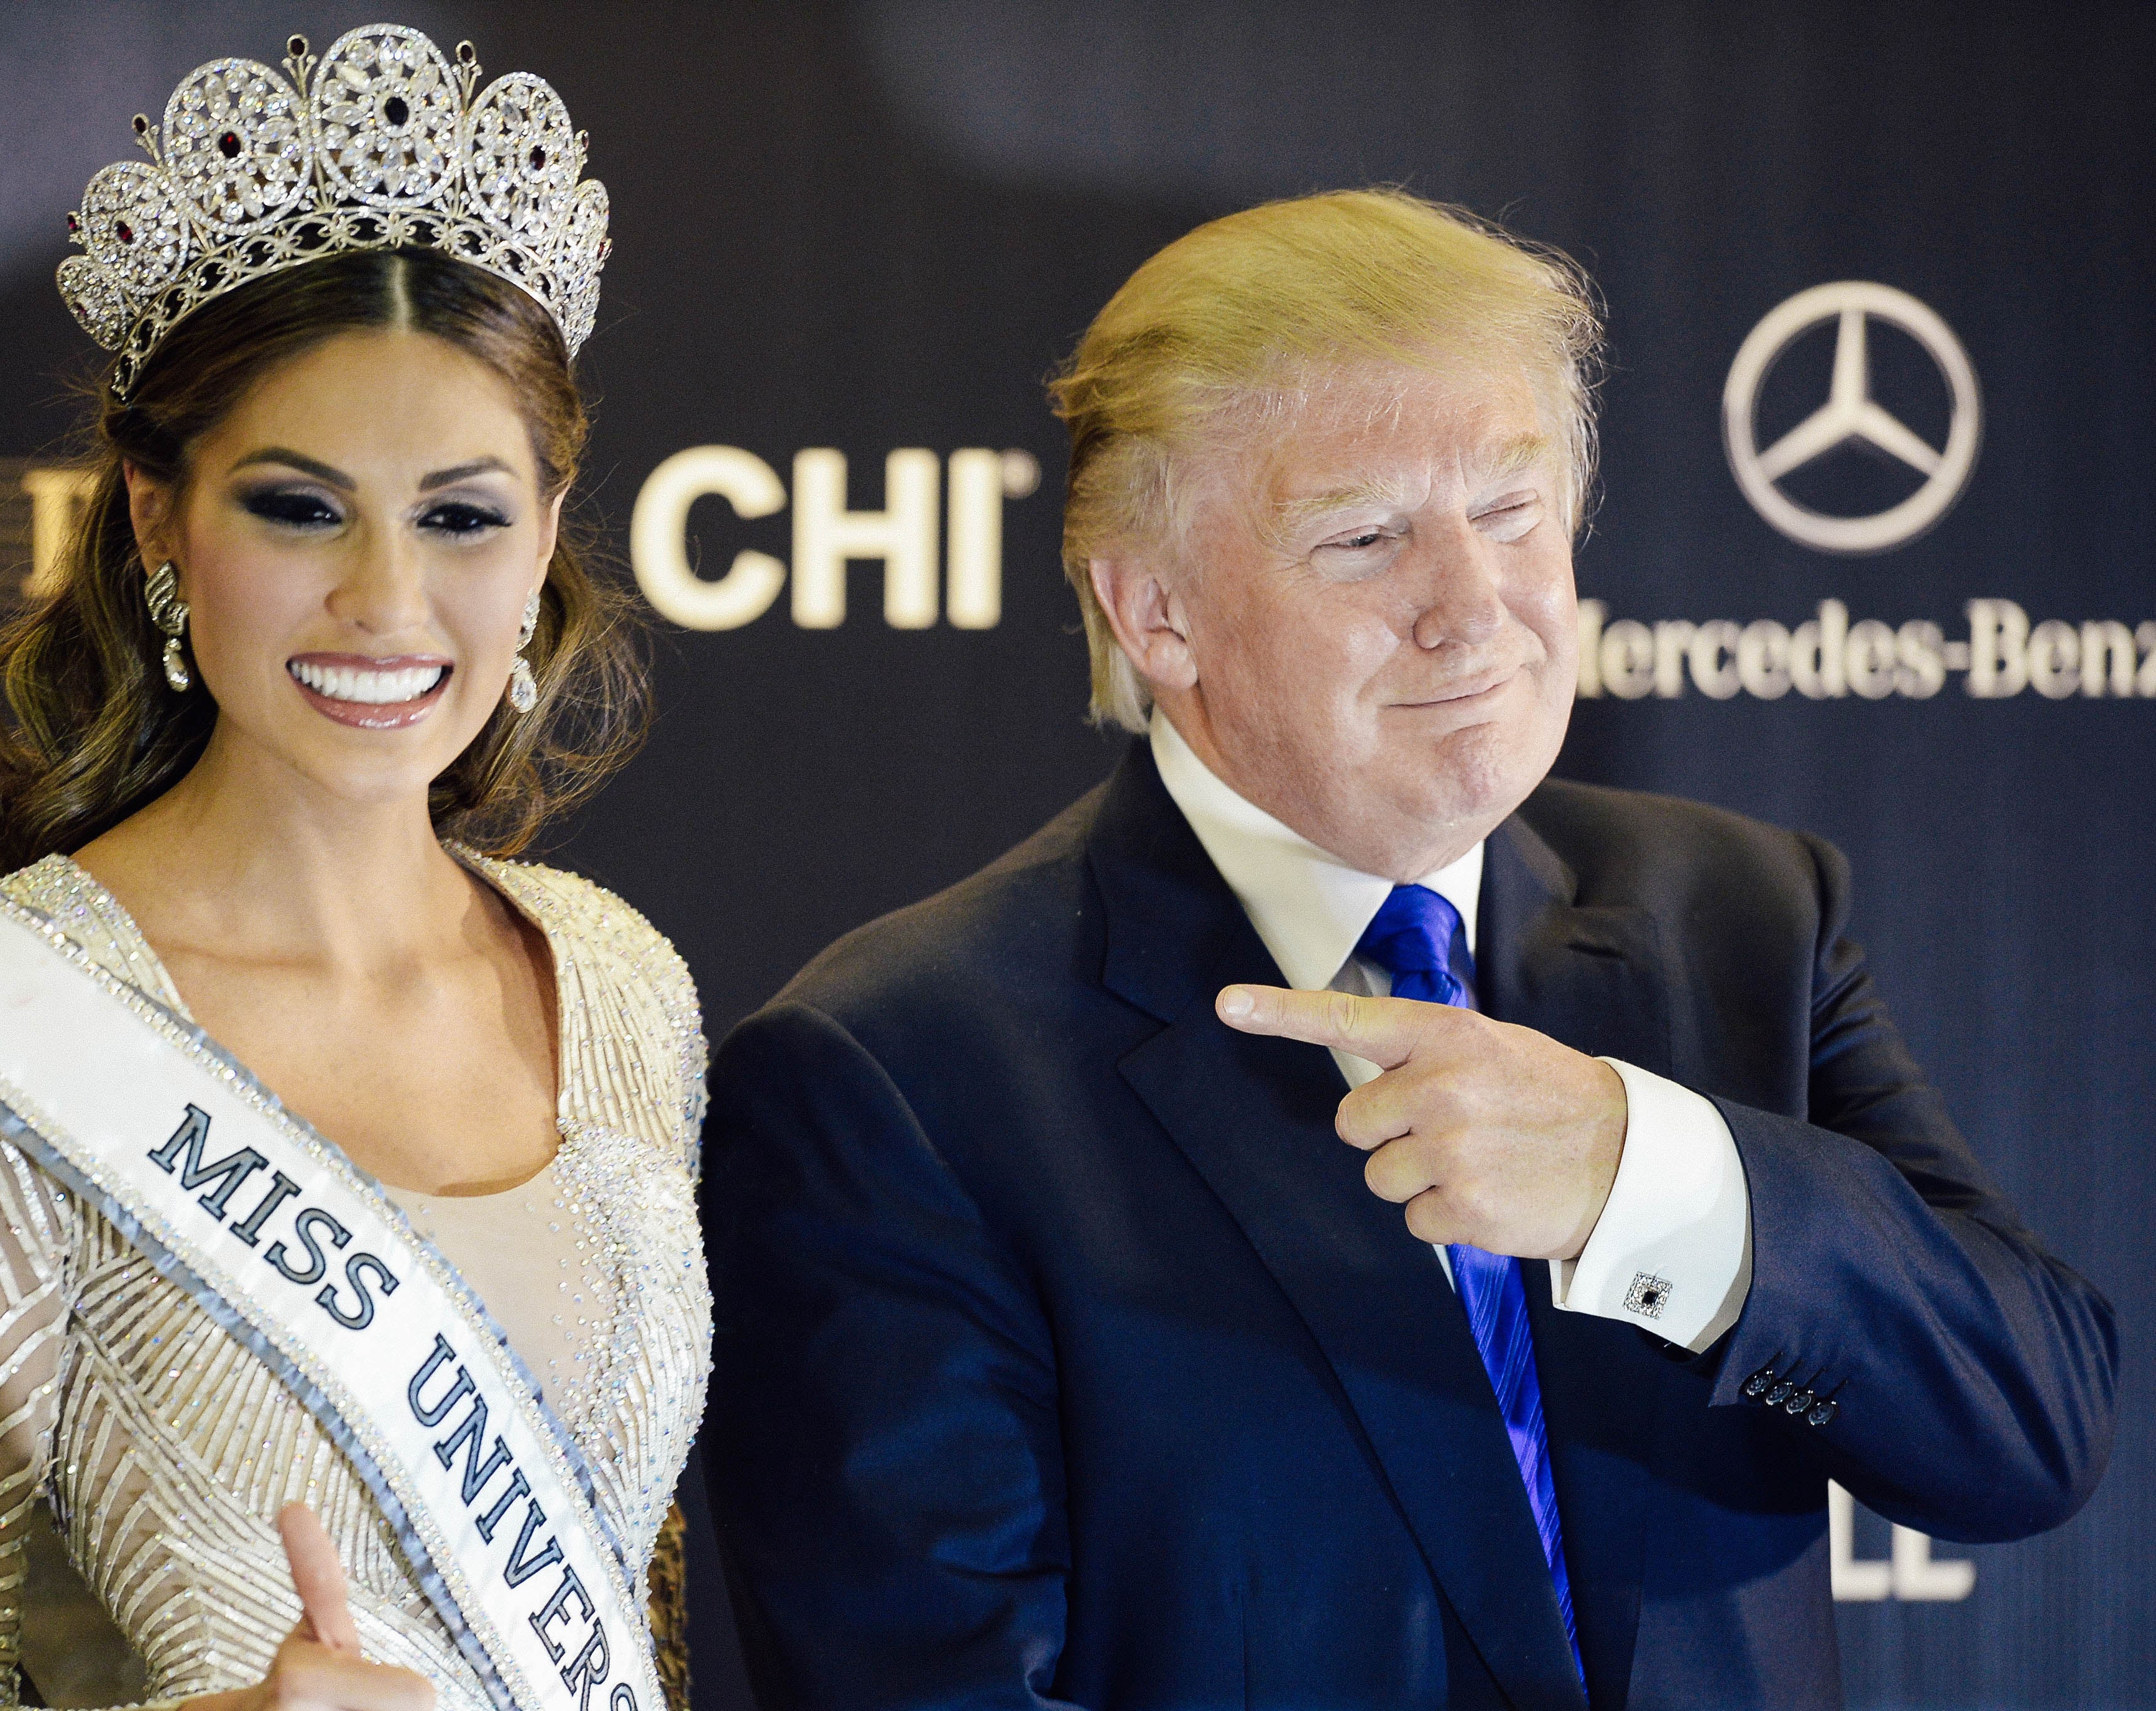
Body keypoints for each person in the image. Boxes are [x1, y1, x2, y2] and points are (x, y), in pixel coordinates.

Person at [698, 190, 2117, 1710]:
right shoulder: (897, 1075)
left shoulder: (1742, 911)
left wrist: (1641, 1178)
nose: (1474, 609)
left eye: (1509, 514)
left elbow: (2029, 1427)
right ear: (1155, 610)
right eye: (1365, 538)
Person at [0, 27, 705, 1711]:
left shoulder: (619, 983)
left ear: (548, 537)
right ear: (157, 520)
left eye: (460, 515)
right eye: (298, 507)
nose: (385, 602)